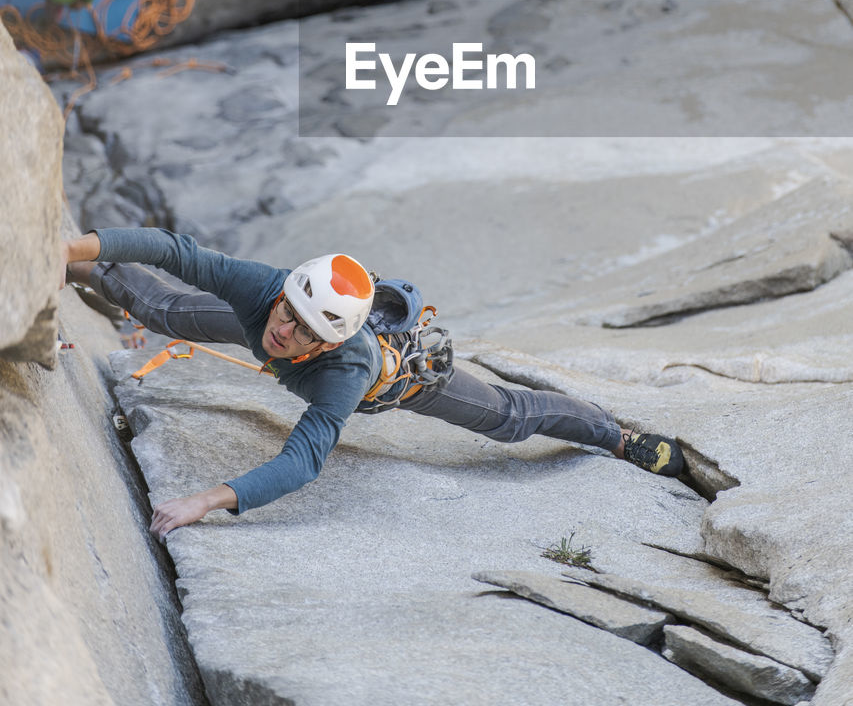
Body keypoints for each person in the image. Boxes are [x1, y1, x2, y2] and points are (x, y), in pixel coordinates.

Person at [63, 227, 685, 540]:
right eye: (285, 312)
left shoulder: (344, 369)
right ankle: (80, 268)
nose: (284, 333)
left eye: (304, 331)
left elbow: (303, 459)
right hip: (329, 327)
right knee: (167, 311)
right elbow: (176, 252)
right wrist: (67, 245)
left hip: (402, 380)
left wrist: (204, 502)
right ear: (281, 294)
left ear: (328, 342)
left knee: (509, 417)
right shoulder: (268, 291)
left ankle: (616, 435)